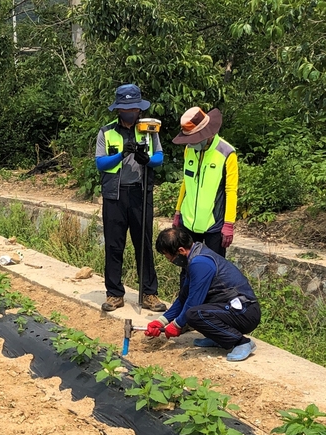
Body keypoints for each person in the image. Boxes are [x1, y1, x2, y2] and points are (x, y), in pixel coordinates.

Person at [95, 83, 167, 313]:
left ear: (139, 109)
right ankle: (114, 293)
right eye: (126, 108)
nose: (131, 112)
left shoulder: (148, 130)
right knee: (114, 245)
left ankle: (149, 293)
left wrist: (147, 159)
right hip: (115, 194)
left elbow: (159, 157)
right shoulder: (106, 132)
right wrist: (120, 154)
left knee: (143, 244)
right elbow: (100, 164)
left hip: (140, 192)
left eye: (134, 108)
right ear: (118, 109)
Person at [145, 227, 261, 362]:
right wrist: (161, 321)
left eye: (169, 257)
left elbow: (194, 301)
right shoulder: (194, 258)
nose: (170, 261)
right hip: (231, 308)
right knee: (194, 312)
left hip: (245, 312)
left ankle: (241, 342)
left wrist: (177, 325)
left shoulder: (200, 263)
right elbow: (183, 298)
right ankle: (219, 338)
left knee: (195, 314)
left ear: (181, 251)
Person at [171, 106, 238, 257]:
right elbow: (186, 182)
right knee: (187, 268)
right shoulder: (189, 150)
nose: (191, 142)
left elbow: (231, 190)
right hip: (187, 222)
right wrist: (177, 212)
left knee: (213, 269)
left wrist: (229, 223)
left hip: (213, 225)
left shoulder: (227, 153)